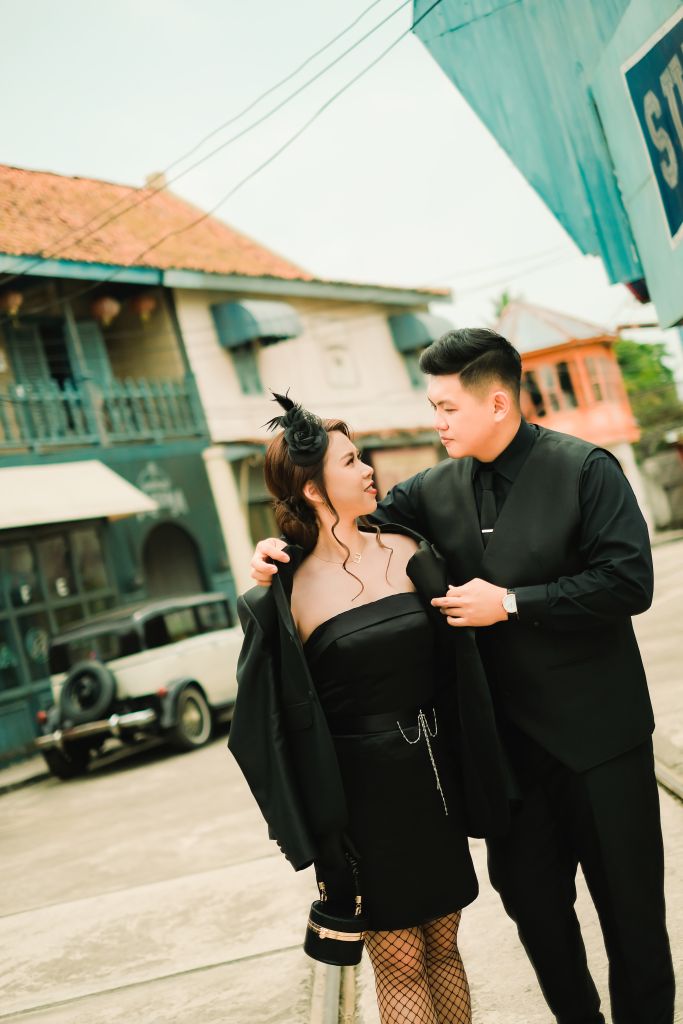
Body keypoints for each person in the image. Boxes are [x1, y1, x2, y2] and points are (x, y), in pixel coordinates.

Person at [250, 331, 675, 1024]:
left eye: (446, 408)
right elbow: (339, 523)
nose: (437, 422)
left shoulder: (585, 469)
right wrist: (277, 550)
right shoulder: (429, 491)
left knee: (632, 918)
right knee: (536, 916)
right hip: (504, 761)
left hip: (602, 746)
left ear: (497, 403)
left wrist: (510, 603)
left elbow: (628, 581)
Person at [229, 392, 502, 1024]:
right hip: (360, 800)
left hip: (433, 775)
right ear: (314, 489)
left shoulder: (409, 550)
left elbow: (458, 666)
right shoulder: (284, 590)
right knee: (399, 961)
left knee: (445, 944)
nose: (368, 469)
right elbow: (269, 720)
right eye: (350, 462)